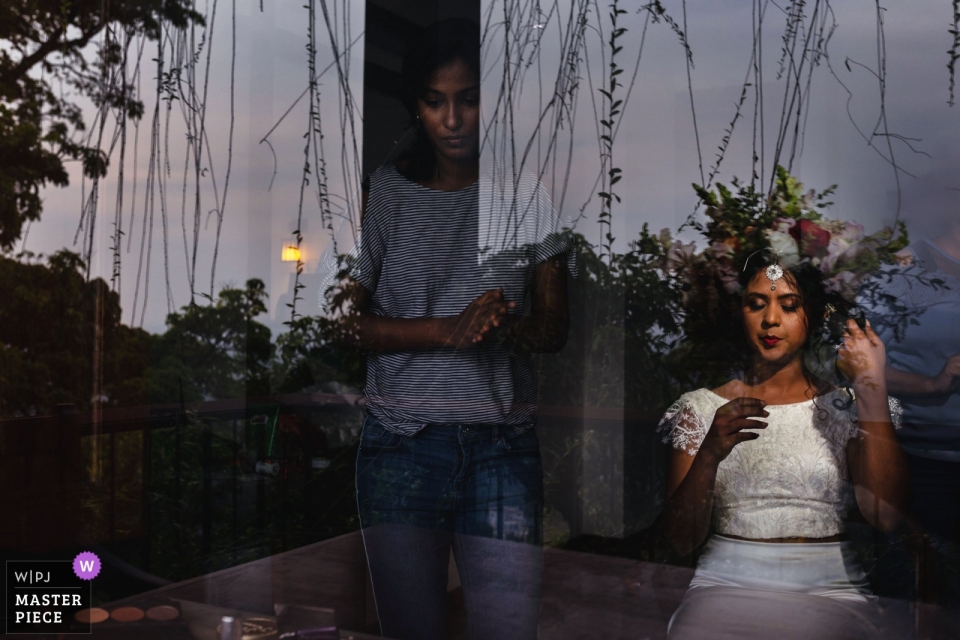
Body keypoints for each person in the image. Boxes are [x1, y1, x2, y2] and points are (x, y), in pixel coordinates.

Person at [344, 19, 570, 640]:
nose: (453, 118)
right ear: (416, 108)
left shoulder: (528, 197)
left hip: (502, 448)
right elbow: (346, 320)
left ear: (489, 102)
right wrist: (447, 331)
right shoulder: (387, 193)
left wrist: (502, 325)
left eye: (468, 98)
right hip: (400, 445)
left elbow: (554, 329)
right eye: (436, 101)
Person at [658, 252, 911, 639]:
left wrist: (871, 389)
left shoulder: (846, 406)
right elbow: (680, 540)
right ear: (741, 312)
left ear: (814, 316)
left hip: (829, 584)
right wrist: (708, 455)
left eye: (789, 306)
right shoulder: (702, 408)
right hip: (727, 580)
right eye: (756, 304)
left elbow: (887, 517)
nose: (770, 320)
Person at [874, 217, 960, 613]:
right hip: (922, 466)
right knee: (919, 604)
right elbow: (855, 361)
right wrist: (933, 384)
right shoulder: (903, 269)